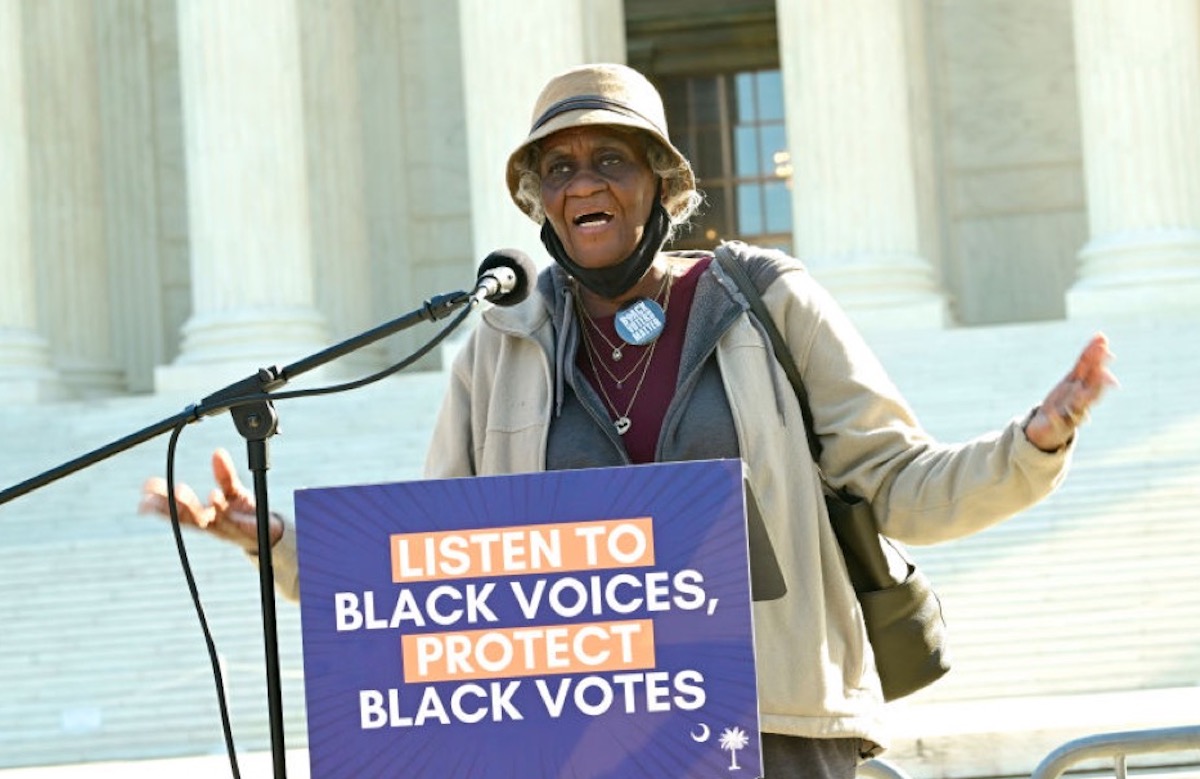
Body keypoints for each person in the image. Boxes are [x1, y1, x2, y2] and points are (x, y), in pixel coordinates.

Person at [140, 63, 1117, 776]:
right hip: (577, 735)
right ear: (538, 203)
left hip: (770, 730)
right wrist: (273, 541)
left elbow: (899, 484)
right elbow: (431, 559)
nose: (581, 183)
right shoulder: (498, 344)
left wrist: (1032, 443)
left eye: (609, 158)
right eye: (555, 169)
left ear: (661, 183)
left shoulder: (767, 300)